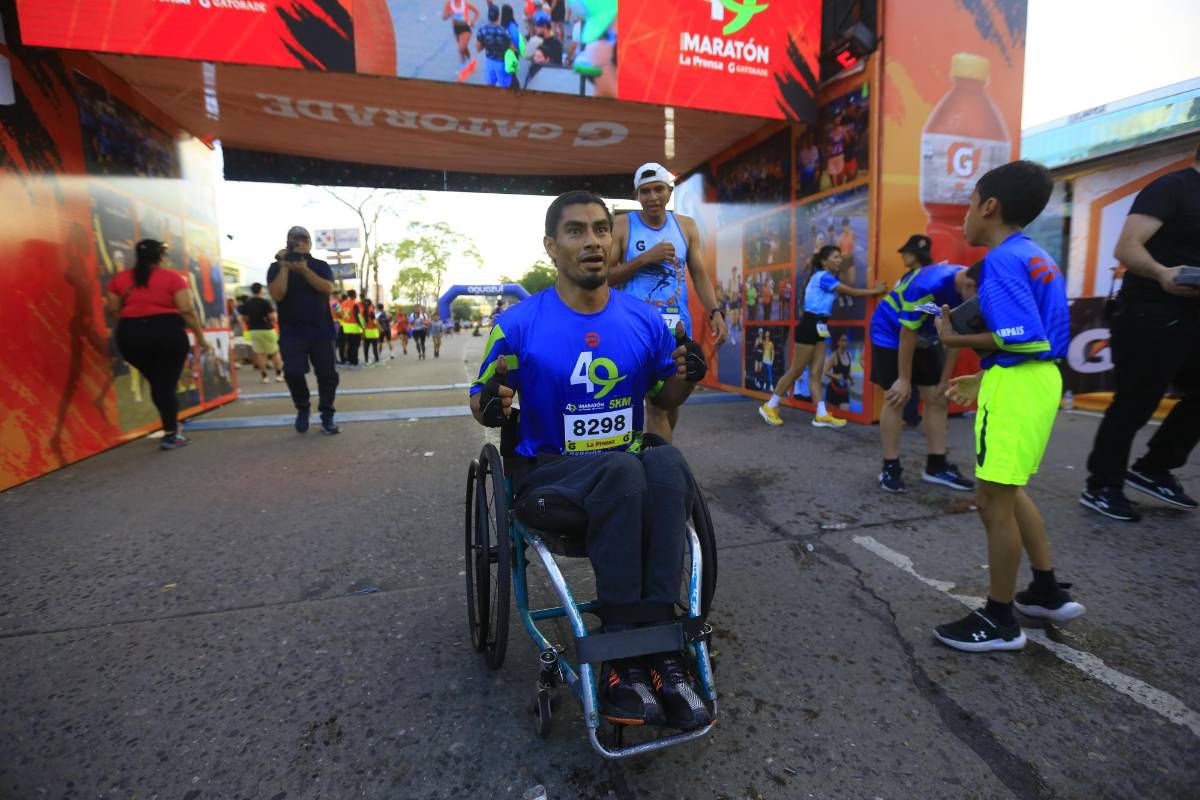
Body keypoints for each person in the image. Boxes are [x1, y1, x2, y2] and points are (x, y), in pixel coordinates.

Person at [470, 190, 712, 730]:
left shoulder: (645, 320)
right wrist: (490, 403)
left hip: (625, 471)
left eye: (601, 229)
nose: (593, 241)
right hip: (549, 476)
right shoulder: (518, 323)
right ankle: (621, 659)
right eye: (576, 231)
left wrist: (687, 376)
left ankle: (661, 653)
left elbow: (665, 399)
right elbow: (484, 400)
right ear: (551, 246)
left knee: (668, 463)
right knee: (625, 470)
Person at [932, 160, 1082, 652]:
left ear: (990, 207)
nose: (965, 216)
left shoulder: (1001, 260)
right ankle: (1046, 590)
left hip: (1019, 383)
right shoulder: (1034, 254)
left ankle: (999, 620)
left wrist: (954, 337)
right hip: (1035, 379)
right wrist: (984, 374)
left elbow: (1022, 337)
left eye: (970, 205)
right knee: (1009, 489)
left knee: (992, 499)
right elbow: (1035, 342)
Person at [1081, 143, 1200, 521]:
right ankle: (1102, 486)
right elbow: (1127, 247)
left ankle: (1154, 468)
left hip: (1194, 316)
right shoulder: (1173, 187)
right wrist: (1162, 273)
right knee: (1136, 402)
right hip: (1150, 312)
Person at [608, 162, 729, 442]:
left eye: (658, 189)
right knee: (652, 406)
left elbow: (699, 274)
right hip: (634, 329)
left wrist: (715, 312)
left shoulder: (686, 226)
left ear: (669, 191)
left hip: (676, 329)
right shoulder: (623, 225)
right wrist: (643, 259)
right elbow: (606, 277)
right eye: (645, 191)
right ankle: (657, 461)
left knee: (668, 403)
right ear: (637, 195)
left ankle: (659, 456)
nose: (652, 197)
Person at [869, 235, 976, 493]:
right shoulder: (927, 284)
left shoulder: (974, 286)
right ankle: (890, 467)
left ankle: (936, 466)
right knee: (897, 397)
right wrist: (904, 379)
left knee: (937, 398)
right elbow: (908, 333)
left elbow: (955, 337)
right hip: (891, 333)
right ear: (969, 284)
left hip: (926, 335)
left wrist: (944, 381)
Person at [759, 246, 885, 428]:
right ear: (825, 261)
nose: (839, 260)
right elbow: (850, 291)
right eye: (835, 257)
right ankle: (770, 406)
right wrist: (875, 291)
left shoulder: (826, 277)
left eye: (840, 257)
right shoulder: (824, 276)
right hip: (810, 324)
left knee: (816, 373)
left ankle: (821, 414)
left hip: (820, 326)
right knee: (796, 370)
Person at [105, 239, 210, 450]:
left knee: (159, 383)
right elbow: (186, 309)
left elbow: (114, 310)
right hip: (167, 332)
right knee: (165, 385)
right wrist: (200, 337)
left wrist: (133, 324)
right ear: (161, 257)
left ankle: (170, 427)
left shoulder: (119, 279)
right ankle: (171, 433)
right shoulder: (173, 278)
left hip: (131, 335)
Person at [267, 226, 340, 435]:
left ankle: (327, 415)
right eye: (294, 240)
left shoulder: (320, 265)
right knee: (292, 372)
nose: (299, 243)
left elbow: (327, 289)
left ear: (309, 243)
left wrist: (304, 270)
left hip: (321, 331)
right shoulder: (276, 267)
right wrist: (284, 267)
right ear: (287, 242)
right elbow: (277, 294)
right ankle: (303, 407)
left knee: (327, 375)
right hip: (292, 332)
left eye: (303, 240)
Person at [239, 282, 284, 383]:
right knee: (275, 352)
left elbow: (244, 318)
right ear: (261, 290)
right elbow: (272, 317)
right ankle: (279, 374)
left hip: (253, 331)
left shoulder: (247, 303)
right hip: (267, 329)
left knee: (260, 353)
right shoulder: (265, 302)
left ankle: (264, 377)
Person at [475, 5, 515, 88]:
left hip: (489, 62)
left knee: (489, 86)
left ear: (488, 16)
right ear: (498, 16)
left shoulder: (482, 30)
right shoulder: (504, 32)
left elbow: (478, 48)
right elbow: (512, 49)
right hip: (502, 63)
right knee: (505, 87)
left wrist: (487, 43)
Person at [444, 0, 480, 77]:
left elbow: (477, 12)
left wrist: (473, 22)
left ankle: (463, 67)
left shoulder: (465, 3)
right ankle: (471, 63)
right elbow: (444, 17)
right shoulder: (449, 3)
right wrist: (448, 15)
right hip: (456, 29)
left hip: (465, 28)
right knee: (464, 48)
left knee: (460, 49)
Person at [823, 333, 853, 409]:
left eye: (846, 340)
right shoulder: (834, 356)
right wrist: (836, 376)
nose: (845, 342)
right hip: (833, 390)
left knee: (845, 413)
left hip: (844, 391)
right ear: (838, 342)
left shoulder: (849, 355)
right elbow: (825, 371)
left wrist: (850, 379)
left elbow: (847, 372)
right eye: (843, 340)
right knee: (833, 415)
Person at [340, 289, 363, 367]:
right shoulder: (355, 304)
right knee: (355, 345)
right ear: (354, 295)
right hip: (354, 328)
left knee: (349, 345)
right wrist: (362, 326)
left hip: (345, 327)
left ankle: (349, 360)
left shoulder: (343, 303)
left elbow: (341, 314)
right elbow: (358, 316)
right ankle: (354, 361)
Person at [361, 298, 381, 364]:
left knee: (366, 347)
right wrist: (380, 328)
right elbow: (374, 321)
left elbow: (362, 323)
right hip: (373, 332)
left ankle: (366, 360)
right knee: (374, 347)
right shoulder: (371, 311)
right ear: (370, 304)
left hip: (366, 332)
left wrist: (363, 332)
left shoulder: (362, 312)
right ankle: (377, 359)